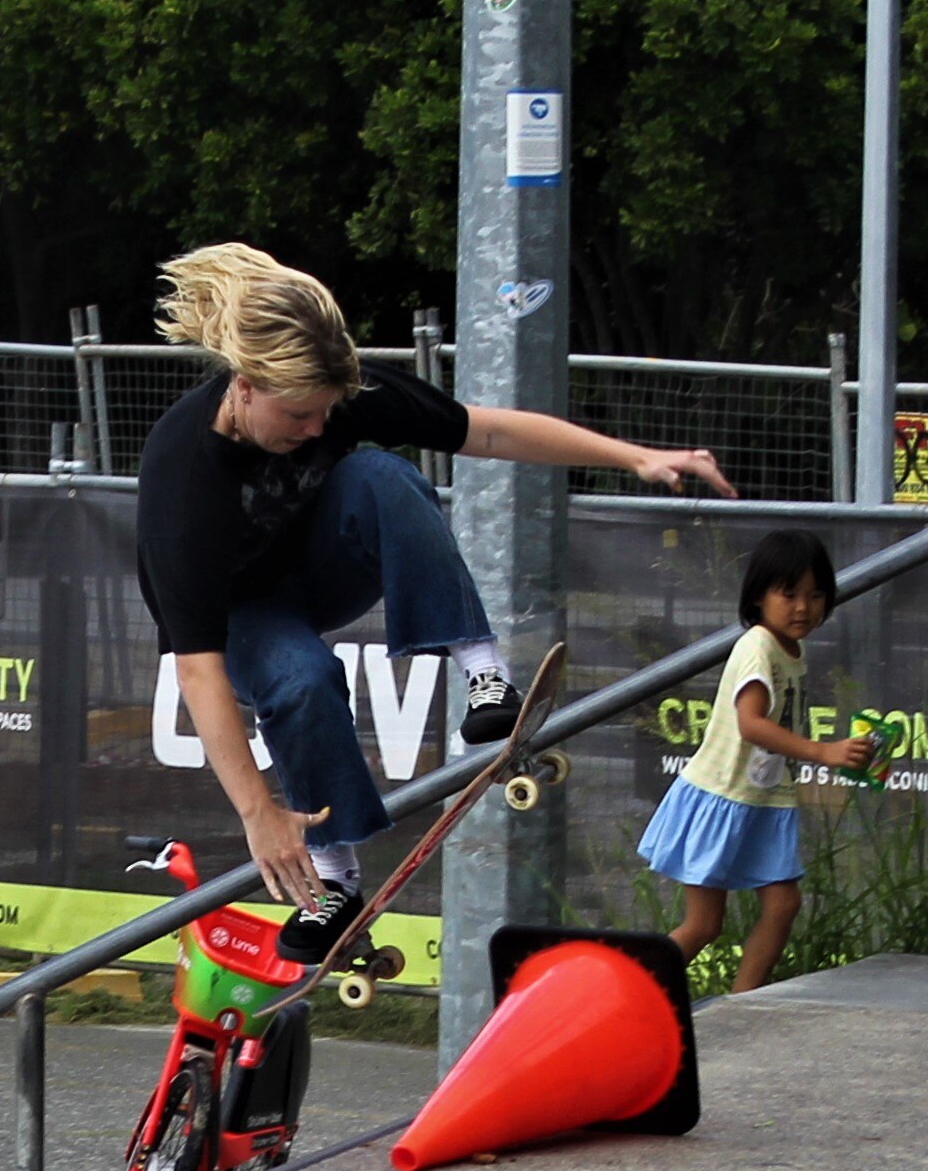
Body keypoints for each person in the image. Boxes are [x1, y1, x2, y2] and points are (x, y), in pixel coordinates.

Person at [138, 242, 737, 963]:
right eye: (298, 416)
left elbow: (483, 430)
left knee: (381, 476)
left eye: (325, 412)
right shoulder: (184, 479)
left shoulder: (340, 396)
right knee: (301, 678)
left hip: (321, 566)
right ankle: (334, 880)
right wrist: (258, 813)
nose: (314, 430)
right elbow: (199, 670)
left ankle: (482, 673)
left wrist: (632, 456)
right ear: (243, 386)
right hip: (240, 617)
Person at [645, 529, 880, 992]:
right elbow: (751, 723)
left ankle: (743, 1004)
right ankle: (630, 991)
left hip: (763, 801)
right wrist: (823, 753)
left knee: (783, 905)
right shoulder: (758, 646)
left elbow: (775, 727)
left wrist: (841, 755)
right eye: (788, 594)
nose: (802, 608)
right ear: (757, 597)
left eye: (815, 595)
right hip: (721, 797)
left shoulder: (792, 650)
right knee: (704, 925)